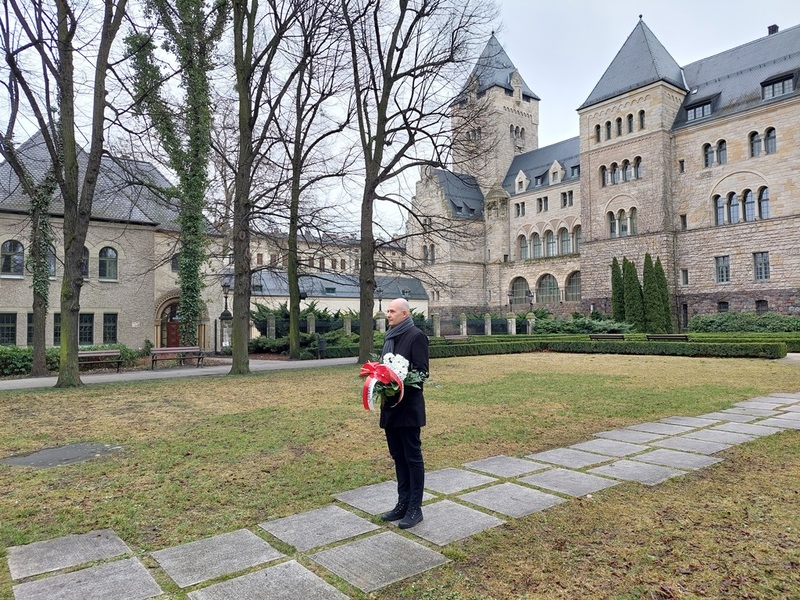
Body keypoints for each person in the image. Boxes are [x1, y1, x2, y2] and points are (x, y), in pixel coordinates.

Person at [379, 297, 429, 529]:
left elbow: (422, 372)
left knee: (412, 457)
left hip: (408, 408)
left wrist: (397, 381)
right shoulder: (390, 337)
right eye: (388, 311)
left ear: (404, 314)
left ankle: (414, 508)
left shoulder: (416, 336)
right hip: (390, 408)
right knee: (398, 456)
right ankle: (402, 503)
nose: (388, 314)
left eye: (392, 311)